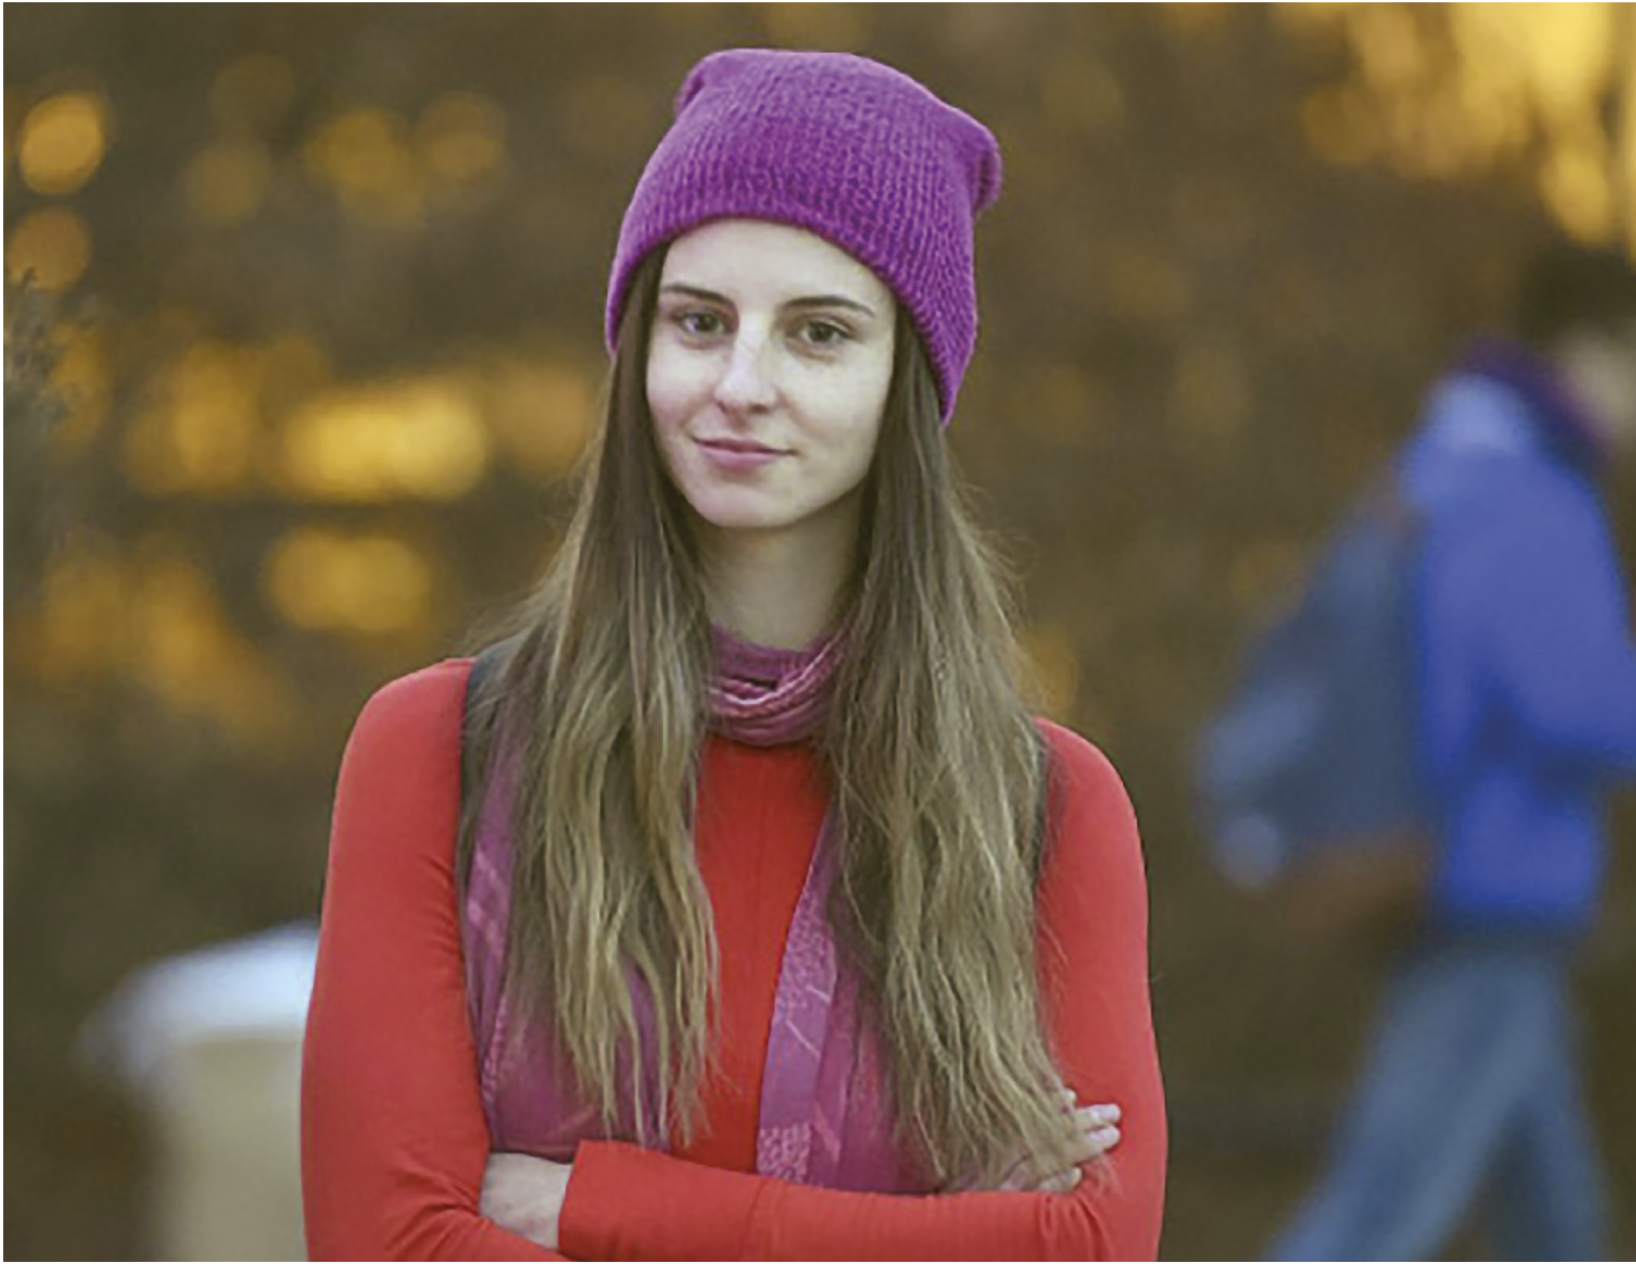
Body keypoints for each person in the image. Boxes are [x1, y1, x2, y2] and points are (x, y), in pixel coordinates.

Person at [302, 49, 1166, 1261]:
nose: (740, 384)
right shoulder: (440, 751)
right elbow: (388, 1244)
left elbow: (1088, 1246)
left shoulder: (1043, 808)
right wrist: (925, 1233)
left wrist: (593, 1207)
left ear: (902, 384)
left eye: (818, 333)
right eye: (699, 321)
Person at [1269, 242, 1636, 1261]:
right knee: (1376, 1216)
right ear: (1588, 351)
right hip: (1489, 895)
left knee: (1554, 1225)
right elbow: (1568, 695)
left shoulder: (1453, 461)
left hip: (1470, 888)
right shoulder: (1525, 487)